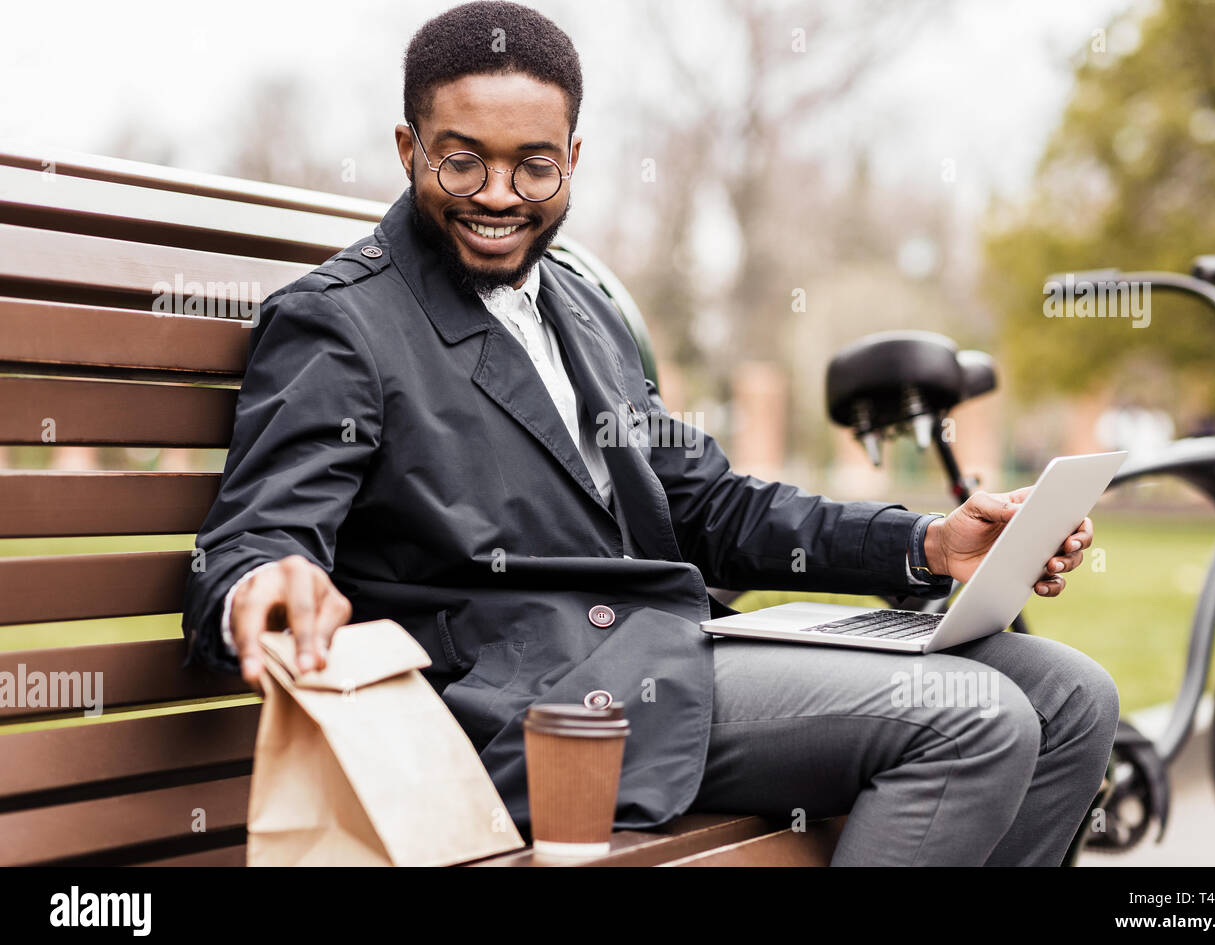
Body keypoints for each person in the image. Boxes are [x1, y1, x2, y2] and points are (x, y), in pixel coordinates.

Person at [182, 1, 1118, 866]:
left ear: (574, 160)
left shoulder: (581, 309)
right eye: (461, 160)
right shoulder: (342, 323)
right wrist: (264, 584)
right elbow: (256, 538)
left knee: (1075, 698)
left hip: (668, 654)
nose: (499, 194)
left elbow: (708, 504)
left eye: (533, 165)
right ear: (407, 147)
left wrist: (926, 543)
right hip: (524, 708)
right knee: (972, 717)